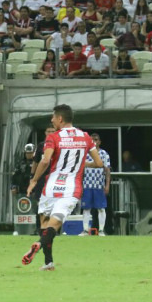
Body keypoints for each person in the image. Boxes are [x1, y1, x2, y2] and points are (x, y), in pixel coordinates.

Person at [22, 104, 104, 271]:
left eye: (53, 117)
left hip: (52, 185)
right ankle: (39, 245)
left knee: (44, 222)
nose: (51, 120)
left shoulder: (54, 138)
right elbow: (99, 163)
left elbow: (45, 161)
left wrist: (34, 180)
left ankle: (48, 262)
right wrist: (82, 164)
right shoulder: (85, 137)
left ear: (60, 118)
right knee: (55, 223)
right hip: (71, 187)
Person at [80, 133, 111, 236]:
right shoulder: (84, 153)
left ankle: (101, 230)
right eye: (92, 139)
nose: (94, 141)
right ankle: (85, 230)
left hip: (99, 185)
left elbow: (107, 170)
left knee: (101, 208)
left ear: (99, 142)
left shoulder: (104, 154)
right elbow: (81, 171)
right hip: (86, 185)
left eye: (96, 139)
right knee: (86, 208)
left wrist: (107, 185)